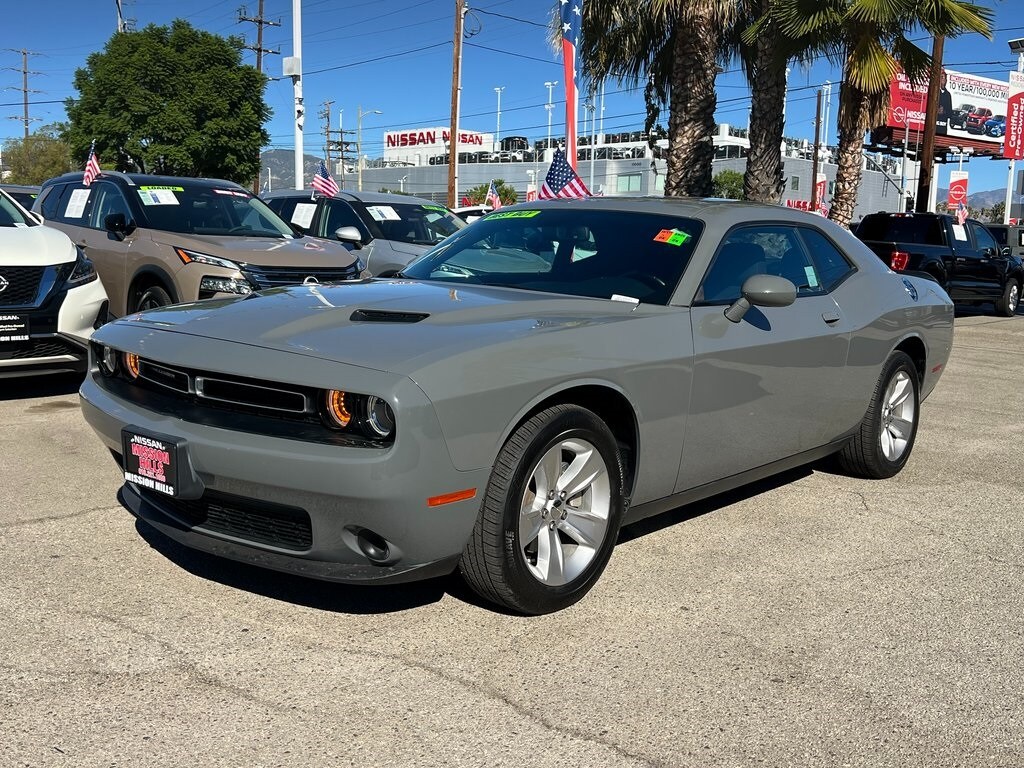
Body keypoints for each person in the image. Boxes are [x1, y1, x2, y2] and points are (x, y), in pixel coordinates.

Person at [936, 70, 952, 136]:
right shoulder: (934, 92)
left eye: (945, 78)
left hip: (943, 128)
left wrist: (944, 111)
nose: (943, 80)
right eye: (942, 77)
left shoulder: (948, 95)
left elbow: (950, 113)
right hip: (933, 126)